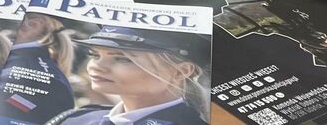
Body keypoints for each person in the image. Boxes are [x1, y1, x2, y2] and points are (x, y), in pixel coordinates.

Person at [47, 27, 209, 125]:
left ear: (180, 72)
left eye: (123, 59)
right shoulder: (75, 119)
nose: (96, 66)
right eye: (95, 55)